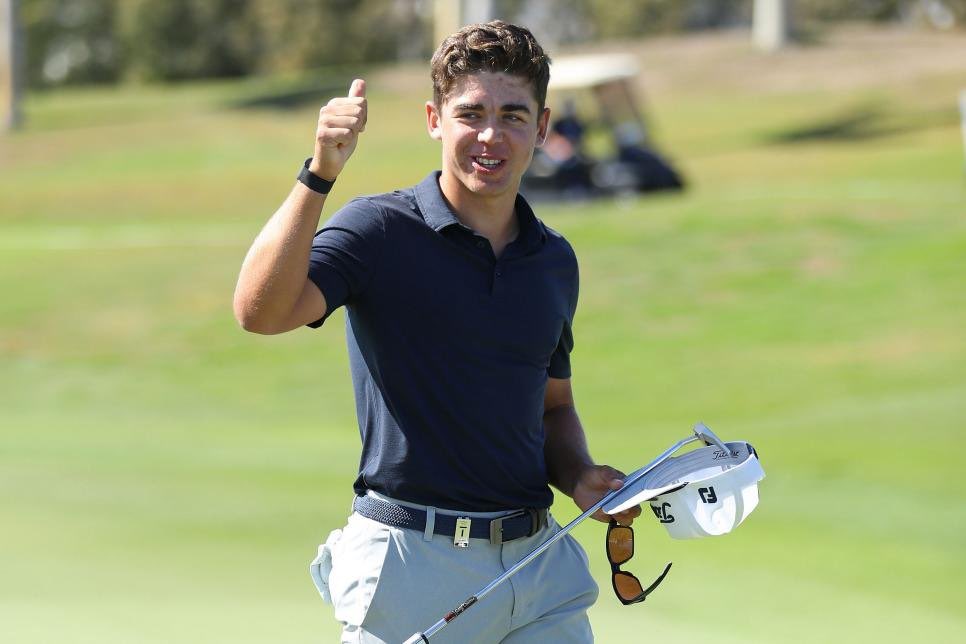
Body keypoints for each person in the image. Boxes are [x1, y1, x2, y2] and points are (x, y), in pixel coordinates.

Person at [233, 20, 640, 643]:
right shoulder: (379, 230)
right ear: (434, 119)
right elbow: (259, 311)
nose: (490, 135)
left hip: (535, 571)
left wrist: (581, 475)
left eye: (512, 115)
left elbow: (552, 407)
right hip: (411, 572)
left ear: (543, 125)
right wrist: (318, 174)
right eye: (471, 113)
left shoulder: (553, 261)